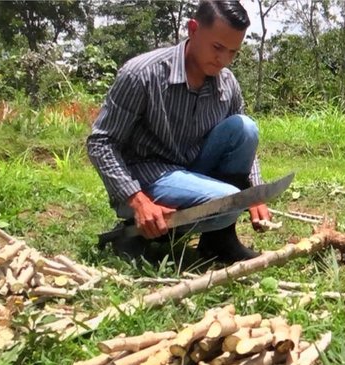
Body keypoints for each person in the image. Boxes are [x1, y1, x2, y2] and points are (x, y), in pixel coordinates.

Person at [87, 0, 271, 263]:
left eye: (233, 52)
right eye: (217, 47)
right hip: (147, 178)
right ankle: (137, 231)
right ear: (193, 29)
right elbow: (101, 142)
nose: (223, 60)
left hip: (191, 170)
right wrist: (138, 200)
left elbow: (245, 150)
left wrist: (255, 193)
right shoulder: (142, 74)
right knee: (229, 201)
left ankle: (219, 240)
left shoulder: (227, 83)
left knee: (245, 128)